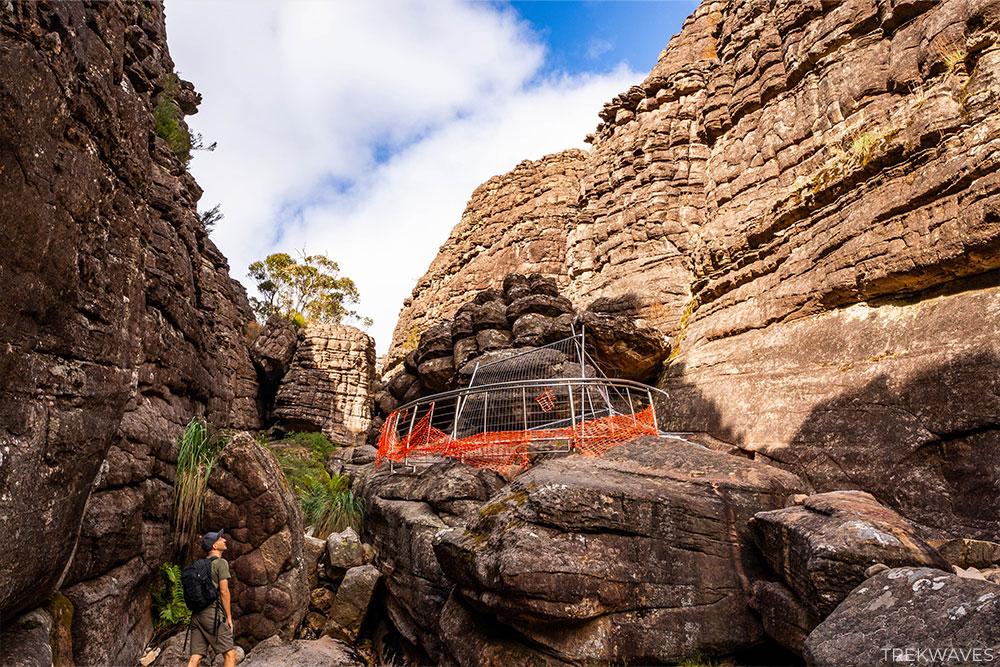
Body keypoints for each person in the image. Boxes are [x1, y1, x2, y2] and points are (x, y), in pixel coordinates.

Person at [186, 530, 236, 667]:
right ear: (214, 546)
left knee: (195, 658)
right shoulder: (221, 563)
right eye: (220, 539)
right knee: (230, 654)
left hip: (196, 616)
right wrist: (229, 617)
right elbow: (224, 591)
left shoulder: (200, 565)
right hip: (212, 616)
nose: (224, 540)